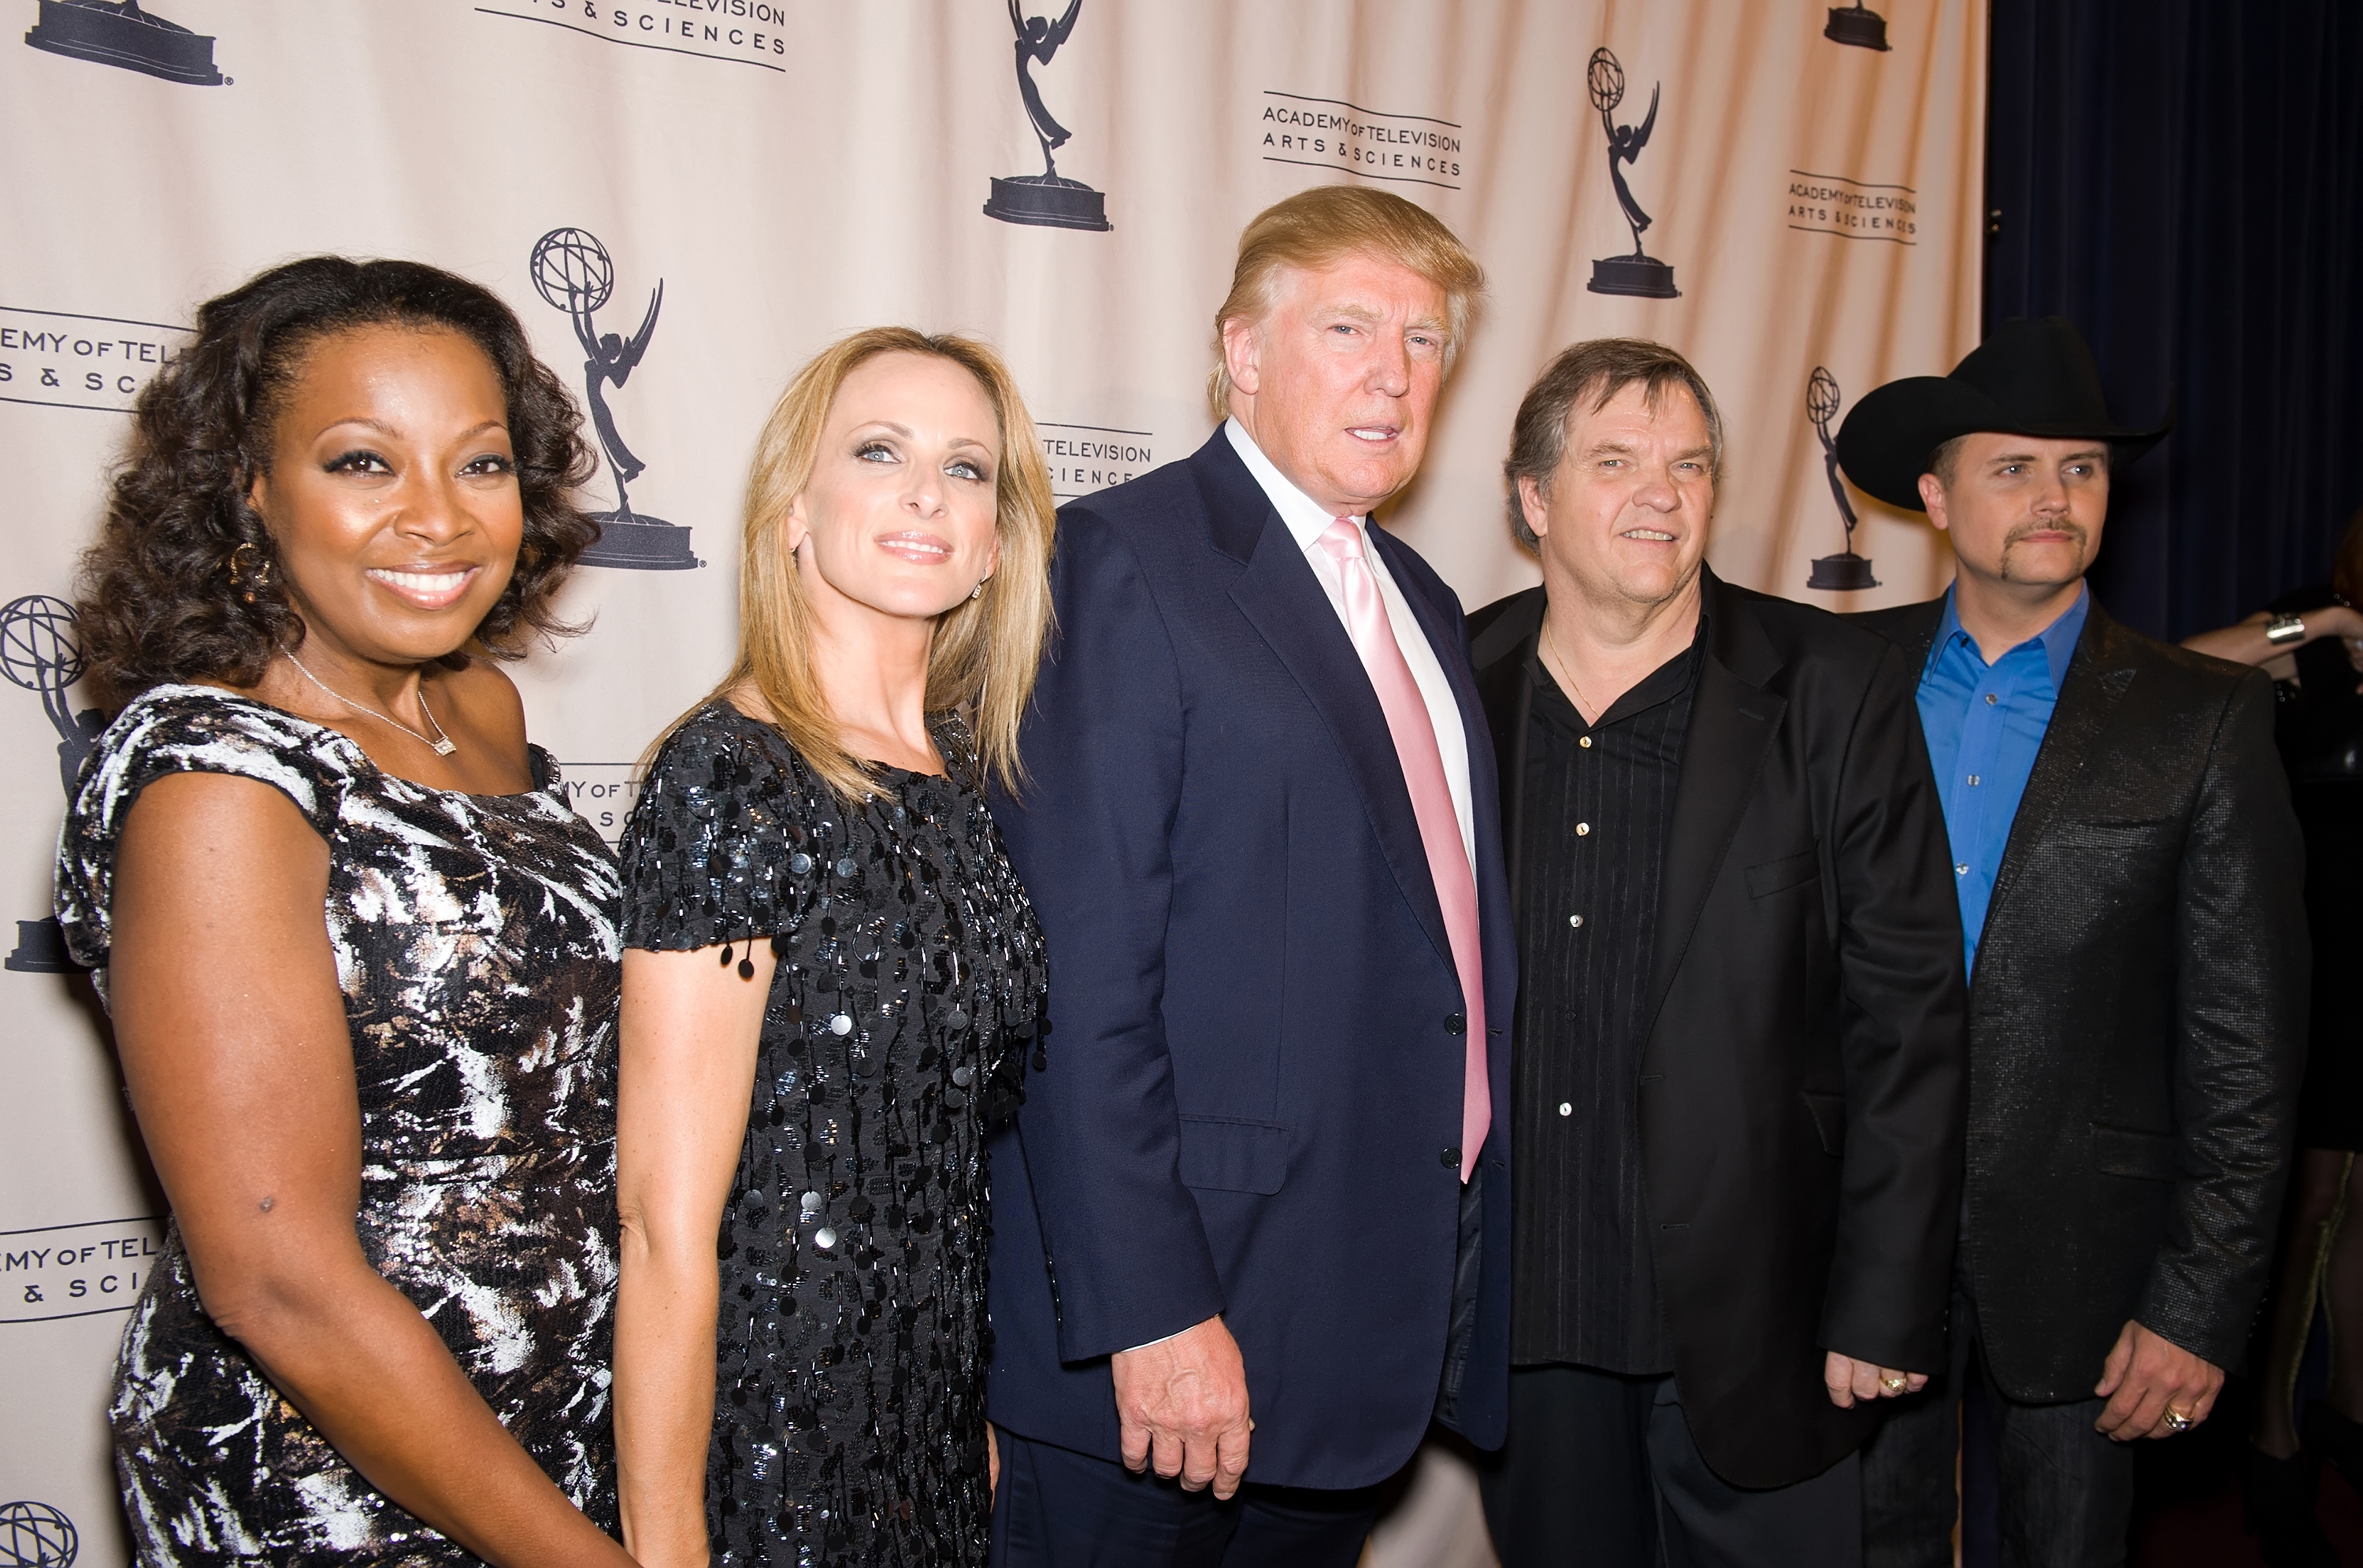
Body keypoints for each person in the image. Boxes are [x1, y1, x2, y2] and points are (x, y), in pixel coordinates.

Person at [52, 257, 629, 1564]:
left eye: (480, 465)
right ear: (250, 488)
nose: (438, 519)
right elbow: (279, 1283)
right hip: (328, 1479)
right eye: (364, 463)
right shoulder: (216, 781)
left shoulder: (478, 704)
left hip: (551, 1425)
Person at [981, 183, 1513, 1566]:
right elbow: (1076, 981)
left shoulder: (1424, 601)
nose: (1393, 373)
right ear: (1243, 350)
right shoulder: (1119, 560)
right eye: (1348, 327)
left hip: (1347, 1313)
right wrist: (1151, 1310)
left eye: (1423, 338)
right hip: (1166, 1338)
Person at [1467, 339, 1968, 1568]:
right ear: (1533, 500)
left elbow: (1911, 1017)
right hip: (1528, 1315)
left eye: (1690, 464)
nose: (1663, 492)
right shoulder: (1454, 678)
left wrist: (1888, 1298)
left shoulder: (1831, 686)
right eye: (1617, 461)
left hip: (1766, 1323)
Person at [1837, 315, 2309, 1567]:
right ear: (1936, 497)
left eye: (2083, 469)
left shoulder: (2205, 718)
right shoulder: (1838, 681)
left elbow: (2245, 1049)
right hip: (1858, 1245)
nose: (2056, 496)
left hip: (2092, 1275)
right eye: (2015, 468)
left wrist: (2198, 1306)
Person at [610, 328, 1055, 1567]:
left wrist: (966, 1418)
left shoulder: (969, 774)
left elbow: (947, 1154)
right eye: (880, 452)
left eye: (969, 469)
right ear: (793, 511)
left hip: (932, 1433)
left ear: (997, 545)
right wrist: (665, 1545)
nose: (928, 493)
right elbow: (661, 1228)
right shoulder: (731, 780)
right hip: (771, 1437)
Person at [2181, 504, 2363, 1567]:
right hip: (2318, 958)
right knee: (2306, 1198)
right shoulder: (2312, 649)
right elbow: (2178, 666)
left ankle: (2348, 1408)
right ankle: (2273, 1439)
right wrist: (2326, 623)